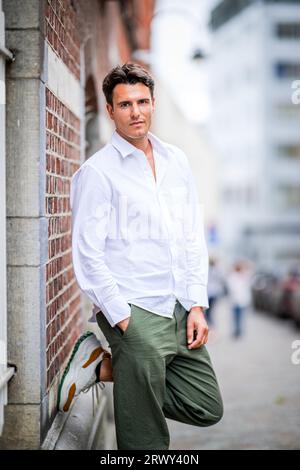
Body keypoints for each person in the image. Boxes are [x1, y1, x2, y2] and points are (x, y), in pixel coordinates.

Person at [57, 63, 223, 450]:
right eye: (125, 104)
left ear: (153, 103)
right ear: (111, 110)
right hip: (135, 309)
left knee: (206, 405)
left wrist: (197, 304)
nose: (136, 112)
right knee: (144, 436)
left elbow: (190, 235)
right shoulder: (97, 173)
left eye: (143, 101)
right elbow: (87, 251)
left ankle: (102, 366)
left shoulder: (176, 161)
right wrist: (122, 318)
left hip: (179, 307)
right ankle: (119, 363)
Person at [226, 260, 252, 338]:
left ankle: (239, 331)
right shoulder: (232, 276)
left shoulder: (245, 276)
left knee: (240, 317)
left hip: (242, 300)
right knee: (236, 317)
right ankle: (237, 331)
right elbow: (230, 287)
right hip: (235, 300)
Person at [206, 256, 226, 327]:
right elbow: (222, 279)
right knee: (210, 311)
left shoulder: (207, 269)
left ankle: (210, 326)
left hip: (209, 293)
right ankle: (211, 325)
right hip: (213, 293)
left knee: (208, 311)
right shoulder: (217, 270)